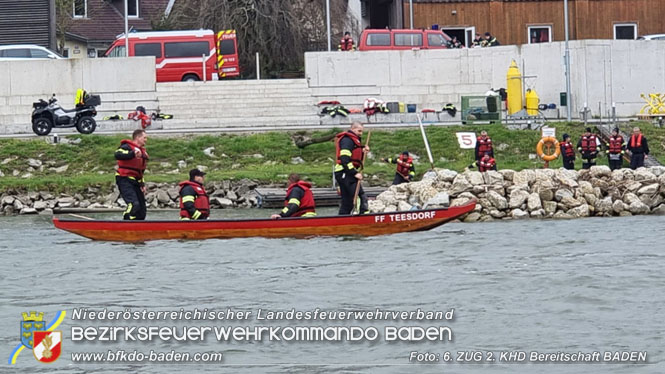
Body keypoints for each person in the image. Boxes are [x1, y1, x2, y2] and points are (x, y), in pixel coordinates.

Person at [334, 121, 369, 215]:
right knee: (360, 195)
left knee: (347, 201)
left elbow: (354, 155)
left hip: (344, 172)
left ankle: (342, 220)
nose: (361, 133)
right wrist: (354, 173)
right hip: (344, 172)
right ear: (353, 129)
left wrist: (362, 151)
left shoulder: (353, 140)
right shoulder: (347, 140)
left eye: (362, 131)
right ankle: (363, 215)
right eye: (359, 131)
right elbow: (345, 159)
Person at [115, 129, 148, 220]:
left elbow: (140, 172)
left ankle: (137, 225)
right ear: (138, 137)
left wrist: (142, 184)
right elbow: (118, 154)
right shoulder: (127, 146)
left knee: (142, 209)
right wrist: (132, 153)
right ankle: (126, 221)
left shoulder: (143, 152)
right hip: (124, 178)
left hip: (135, 181)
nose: (146, 140)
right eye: (144, 138)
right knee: (133, 204)